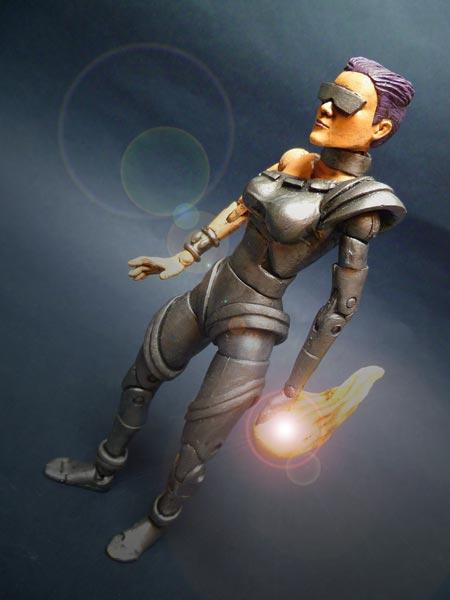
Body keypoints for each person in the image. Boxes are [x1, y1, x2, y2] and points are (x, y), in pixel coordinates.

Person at [45, 57, 415, 562]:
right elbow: (241, 208)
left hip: (253, 321)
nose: (327, 108)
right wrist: (184, 256)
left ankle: (158, 519)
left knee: (199, 441)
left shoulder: (360, 206)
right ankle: (104, 468)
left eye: (346, 104)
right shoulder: (294, 160)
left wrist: (294, 389)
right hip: (212, 288)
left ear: (381, 128)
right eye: (327, 93)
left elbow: (340, 306)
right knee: (138, 380)